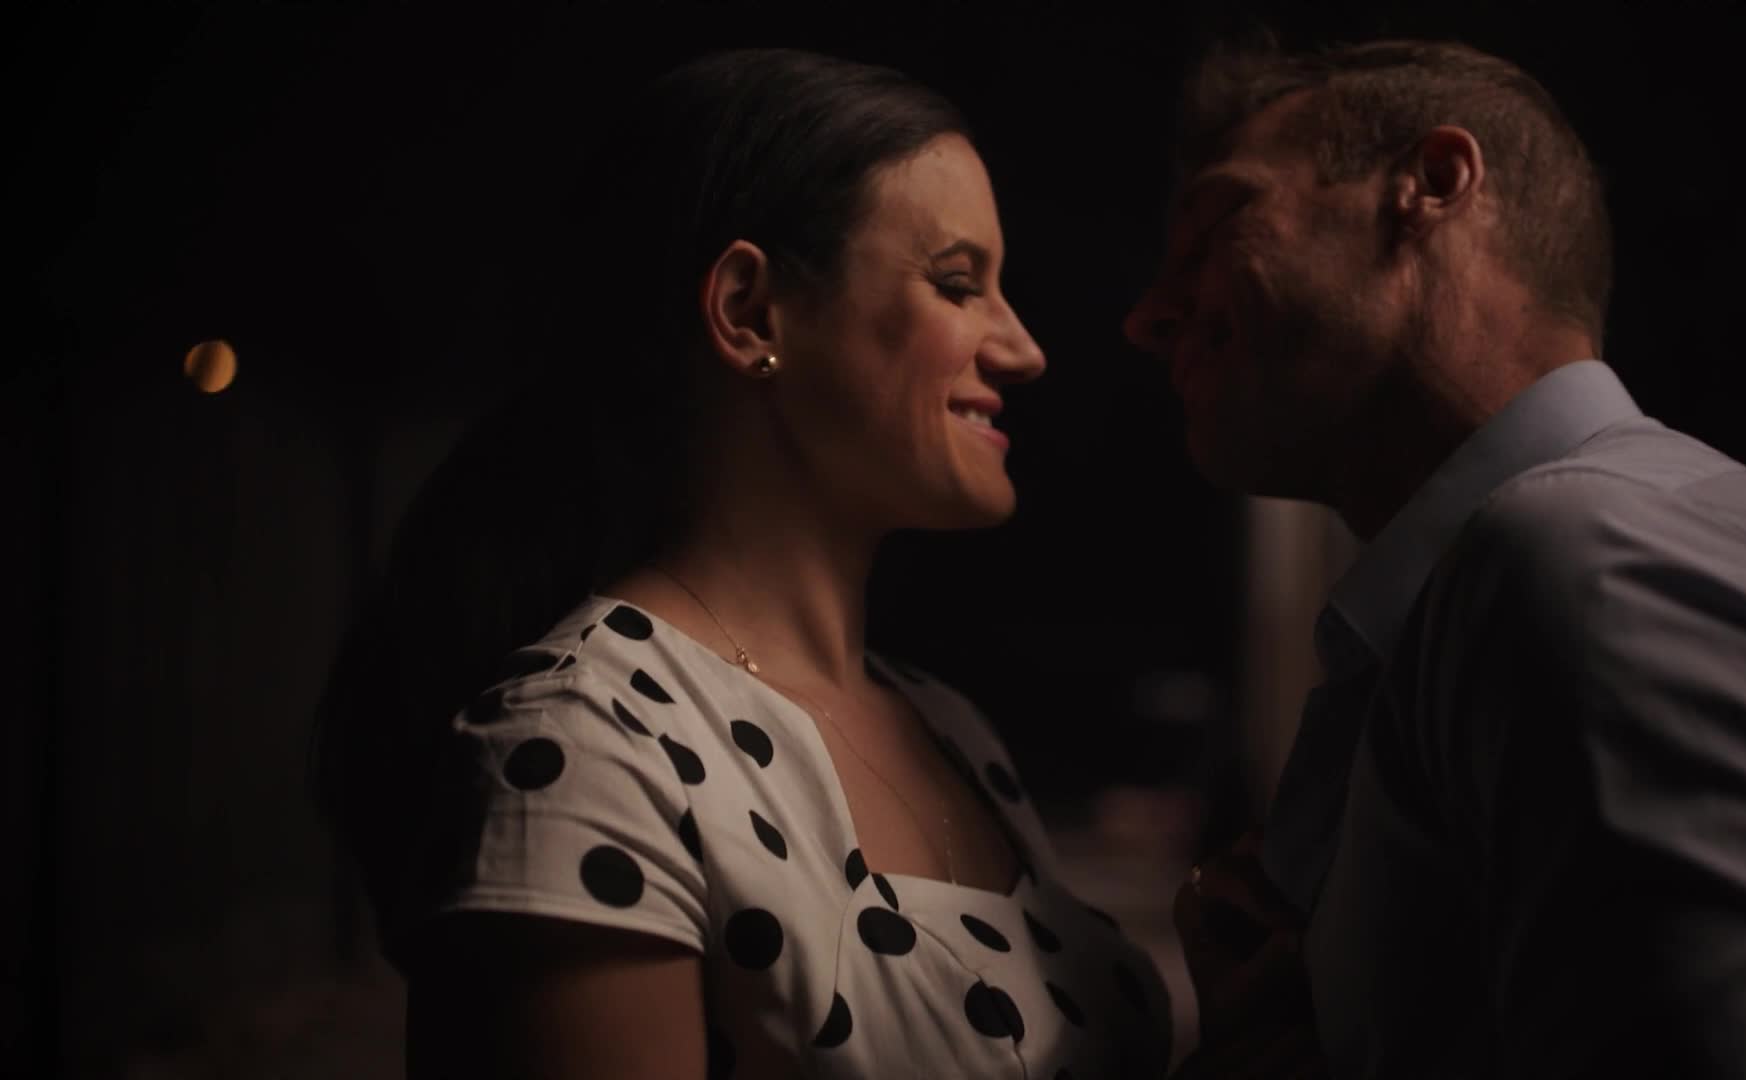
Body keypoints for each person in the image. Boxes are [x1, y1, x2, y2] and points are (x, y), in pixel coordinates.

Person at [312, 47, 1172, 1079]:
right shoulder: (589, 754)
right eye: (957, 284)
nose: (1023, 348)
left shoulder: (950, 729)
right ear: (751, 313)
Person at [1123, 33, 1746, 1080]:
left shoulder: (1588, 559)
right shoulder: (1558, 558)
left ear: (1432, 184)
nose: (1148, 316)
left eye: (1218, 223)